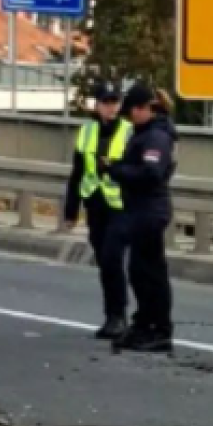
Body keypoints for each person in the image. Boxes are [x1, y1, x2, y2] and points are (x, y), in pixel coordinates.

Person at [108, 85, 177, 353]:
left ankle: (158, 328)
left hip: (150, 209)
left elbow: (151, 173)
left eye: (132, 111)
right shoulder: (146, 134)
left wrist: (118, 171)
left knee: (150, 271)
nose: (129, 117)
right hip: (140, 208)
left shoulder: (156, 136)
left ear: (143, 109)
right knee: (140, 270)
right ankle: (145, 322)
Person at [63, 81, 132, 340]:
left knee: (113, 259)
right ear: (98, 105)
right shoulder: (87, 131)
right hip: (95, 204)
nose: (111, 108)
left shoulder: (128, 131)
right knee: (105, 262)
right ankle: (111, 316)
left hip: (120, 206)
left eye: (115, 102)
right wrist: (71, 211)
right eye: (106, 102)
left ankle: (119, 316)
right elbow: (77, 173)